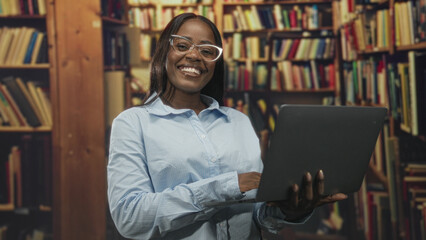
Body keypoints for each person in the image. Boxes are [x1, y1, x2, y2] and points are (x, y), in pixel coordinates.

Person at [107, 13, 347, 239]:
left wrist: (291, 210)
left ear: (215, 63)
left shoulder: (238, 121)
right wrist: (227, 187)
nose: (194, 56)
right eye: (182, 45)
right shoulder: (132, 123)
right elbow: (129, 217)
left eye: (207, 51)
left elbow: (258, 214)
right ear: (163, 53)